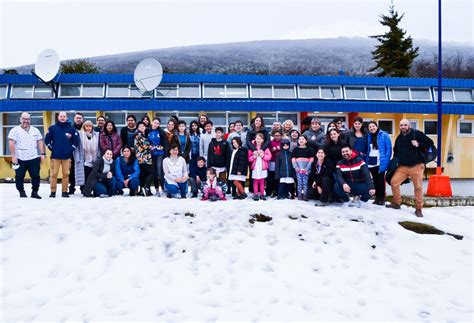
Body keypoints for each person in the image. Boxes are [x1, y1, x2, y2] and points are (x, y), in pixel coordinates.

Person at [386, 119, 434, 217]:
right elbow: (396, 151)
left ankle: (419, 208)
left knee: (418, 187)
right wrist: (395, 162)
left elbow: (430, 143)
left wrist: (419, 144)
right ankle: (397, 202)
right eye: (401, 125)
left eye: (405, 125)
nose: (403, 127)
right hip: (403, 166)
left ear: (409, 126)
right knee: (394, 182)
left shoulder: (417, 134)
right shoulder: (399, 138)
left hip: (416, 165)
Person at [8, 112, 46, 198]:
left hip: (34, 157)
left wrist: (42, 154)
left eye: (28, 119)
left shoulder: (35, 130)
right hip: (20, 158)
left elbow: (40, 142)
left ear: (30, 120)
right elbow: (11, 143)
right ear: (20, 119)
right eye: (24, 119)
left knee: (36, 176)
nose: (26, 121)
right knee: (19, 176)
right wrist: (13, 156)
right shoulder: (14, 130)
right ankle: (21, 191)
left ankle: (35, 192)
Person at [45, 111, 80, 198]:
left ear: (67, 118)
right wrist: (51, 147)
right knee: (54, 174)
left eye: (64, 116)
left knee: (66, 174)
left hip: (67, 156)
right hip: (55, 156)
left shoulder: (71, 129)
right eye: (61, 116)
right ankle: (53, 191)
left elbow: (76, 141)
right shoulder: (53, 128)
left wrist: (71, 149)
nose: (62, 118)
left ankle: (64, 191)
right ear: (58, 117)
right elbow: (47, 139)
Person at [366, 121, 392, 205]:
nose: (372, 128)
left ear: (377, 126)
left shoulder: (384, 135)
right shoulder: (368, 136)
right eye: (370, 127)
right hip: (371, 161)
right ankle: (377, 198)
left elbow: (388, 148)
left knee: (381, 180)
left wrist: (386, 159)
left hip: (381, 161)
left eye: (373, 126)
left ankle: (382, 198)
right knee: (375, 180)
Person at [73, 120, 100, 193]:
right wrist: (77, 158)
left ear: (92, 127)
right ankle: (83, 190)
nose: (88, 128)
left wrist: (98, 158)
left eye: (90, 126)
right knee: (85, 175)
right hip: (83, 159)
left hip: (94, 159)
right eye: (86, 126)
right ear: (84, 127)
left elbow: (98, 148)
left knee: (92, 176)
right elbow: (77, 147)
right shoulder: (80, 134)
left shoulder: (96, 135)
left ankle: (90, 189)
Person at [248, 132, 271, 201]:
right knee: (255, 181)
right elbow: (249, 158)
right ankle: (255, 194)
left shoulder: (265, 148)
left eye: (260, 139)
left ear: (263, 140)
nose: (258, 140)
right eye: (257, 138)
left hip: (262, 168)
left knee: (262, 181)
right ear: (255, 139)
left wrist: (263, 156)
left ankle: (262, 194)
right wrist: (253, 157)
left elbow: (269, 157)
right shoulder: (252, 148)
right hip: (255, 168)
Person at [292, 135, 315, 201]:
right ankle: (299, 195)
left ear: (306, 141)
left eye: (303, 139)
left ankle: (305, 195)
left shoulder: (310, 149)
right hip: (298, 170)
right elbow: (293, 159)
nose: (301, 140)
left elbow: (311, 159)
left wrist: (307, 168)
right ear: (298, 141)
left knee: (305, 183)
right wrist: (296, 167)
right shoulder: (295, 149)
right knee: (299, 183)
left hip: (306, 170)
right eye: (300, 139)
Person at [134, 121, 154, 196]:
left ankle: (141, 190)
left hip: (143, 158)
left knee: (143, 174)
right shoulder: (138, 135)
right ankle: (147, 188)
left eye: (143, 126)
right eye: (140, 126)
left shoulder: (143, 134)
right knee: (152, 172)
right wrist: (159, 147)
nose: (141, 127)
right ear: (138, 128)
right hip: (143, 158)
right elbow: (146, 145)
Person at [69, 112, 85, 194]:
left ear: (82, 119)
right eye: (77, 118)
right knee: (72, 171)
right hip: (73, 152)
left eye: (80, 118)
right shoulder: (70, 128)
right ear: (74, 119)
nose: (78, 119)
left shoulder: (85, 128)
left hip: (84, 153)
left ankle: (83, 187)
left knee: (83, 170)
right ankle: (72, 188)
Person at [149, 118, 165, 195]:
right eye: (154, 122)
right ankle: (156, 189)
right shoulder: (148, 131)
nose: (155, 124)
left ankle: (163, 188)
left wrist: (160, 147)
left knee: (159, 171)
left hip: (160, 154)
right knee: (154, 172)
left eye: (157, 123)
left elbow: (164, 143)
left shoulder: (161, 132)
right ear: (152, 122)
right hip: (151, 154)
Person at [266, 129, 282, 197]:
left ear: (281, 136)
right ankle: (269, 191)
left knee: (278, 177)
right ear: (273, 136)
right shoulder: (271, 142)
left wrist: (280, 148)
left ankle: (277, 190)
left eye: (278, 135)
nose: (277, 137)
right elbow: (267, 150)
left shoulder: (282, 142)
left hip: (280, 162)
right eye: (275, 135)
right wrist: (272, 150)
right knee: (271, 176)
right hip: (272, 161)